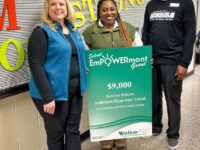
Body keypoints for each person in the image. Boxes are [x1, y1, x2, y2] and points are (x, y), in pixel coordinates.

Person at [83, 0, 143, 149]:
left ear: (116, 10)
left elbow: (139, 52)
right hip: (102, 85)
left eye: (112, 9)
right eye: (104, 10)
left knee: (122, 116)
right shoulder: (89, 33)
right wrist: (86, 66)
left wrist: (145, 61)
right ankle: (106, 144)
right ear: (99, 12)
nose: (109, 13)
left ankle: (122, 143)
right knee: (106, 117)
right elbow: (84, 56)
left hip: (124, 85)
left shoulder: (128, 29)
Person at [28, 0, 87, 150]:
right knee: (56, 135)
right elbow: (36, 65)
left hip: (75, 91)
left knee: (73, 130)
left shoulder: (73, 30)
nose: (58, 7)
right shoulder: (41, 31)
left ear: (67, 7)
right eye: (53, 4)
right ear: (47, 8)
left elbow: (77, 55)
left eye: (61, 3)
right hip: (53, 95)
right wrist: (48, 98)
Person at [142, 0, 196, 149]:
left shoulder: (185, 3)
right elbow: (146, 31)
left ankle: (173, 134)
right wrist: (144, 55)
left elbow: (190, 34)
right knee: (153, 97)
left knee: (172, 100)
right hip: (152, 60)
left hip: (173, 61)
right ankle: (155, 127)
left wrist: (184, 63)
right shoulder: (151, 4)